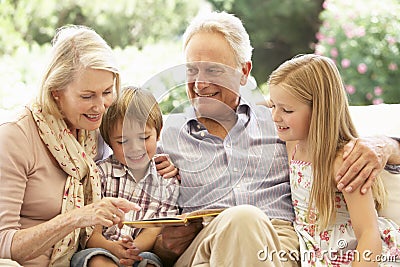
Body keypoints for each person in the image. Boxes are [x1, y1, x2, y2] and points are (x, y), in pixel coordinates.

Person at [152, 11, 400, 267]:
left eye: (214, 70)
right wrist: (163, 247)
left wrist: (386, 145)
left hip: (279, 245)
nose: (200, 83)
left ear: (244, 72)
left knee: (246, 222)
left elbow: (332, 127)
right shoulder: (168, 135)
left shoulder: (281, 123)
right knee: (242, 220)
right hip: (204, 245)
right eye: (192, 70)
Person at [0, 25, 176, 267]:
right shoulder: (16, 136)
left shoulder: (93, 130)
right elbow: (3, 244)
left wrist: (168, 163)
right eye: (87, 96)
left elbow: (142, 136)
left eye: (107, 92)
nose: (101, 106)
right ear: (56, 92)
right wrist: (77, 218)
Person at [268, 54, 400, 266]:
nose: (275, 116)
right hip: (314, 249)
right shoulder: (292, 143)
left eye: (287, 110)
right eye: (272, 105)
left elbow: (368, 234)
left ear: (319, 111)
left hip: (353, 253)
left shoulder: (343, 162)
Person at [71, 86, 180, 267]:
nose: (135, 148)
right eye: (122, 141)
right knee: (97, 260)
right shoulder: (100, 174)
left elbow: (154, 231)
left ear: (158, 133)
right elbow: (91, 233)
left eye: (144, 138)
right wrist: (113, 248)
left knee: (150, 263)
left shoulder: (167, 181)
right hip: (102, 248)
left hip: (141, 252)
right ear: (109, 142)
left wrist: (132, 250)